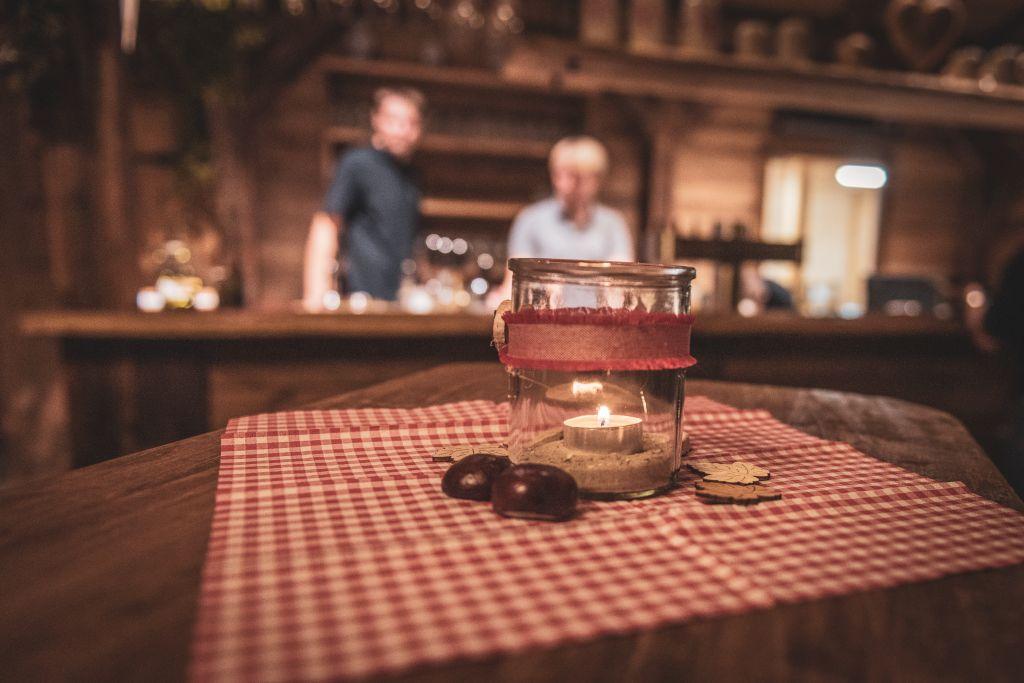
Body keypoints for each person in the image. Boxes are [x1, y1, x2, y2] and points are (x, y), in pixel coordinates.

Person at [303, 87, 424, 308]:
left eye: (411, 123)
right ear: (376, 120)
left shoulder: (411, 175)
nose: (403, 130)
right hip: (360, 298)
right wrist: (316, 292)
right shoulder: (358, 163)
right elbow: (327, 222)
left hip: (398, 300)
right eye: (394, 120)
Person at [508, 136, 634, 263]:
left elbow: (621, 270)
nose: (577, 185)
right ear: (555, 175)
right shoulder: (530, 219)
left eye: (585, 177)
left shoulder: (613, 223)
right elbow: (516, 272)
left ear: (598, 180)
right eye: (571, 175)